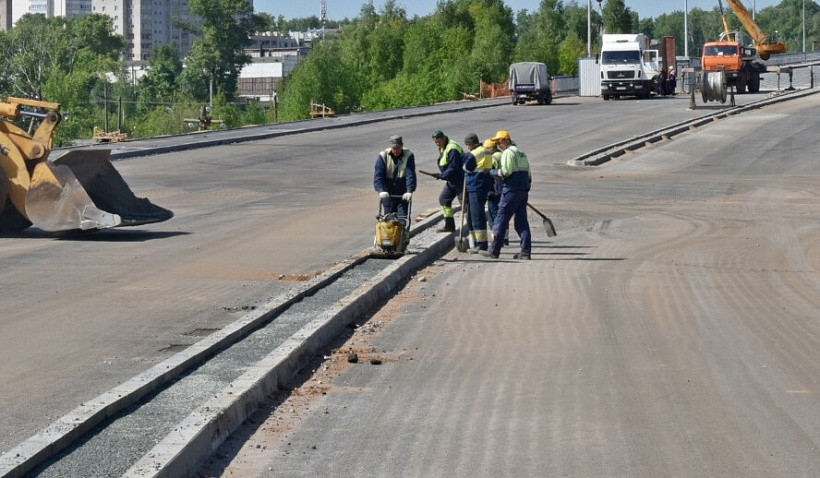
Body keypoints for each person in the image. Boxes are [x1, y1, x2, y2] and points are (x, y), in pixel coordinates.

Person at [480, 130, 532, 260]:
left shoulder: (508, 153)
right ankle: (525, 252)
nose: (498, 144)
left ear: (506, 140)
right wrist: (523, 191)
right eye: (496, 142)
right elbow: (529, 175)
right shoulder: (522, 153)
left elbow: (506, 172)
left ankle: (494, 251)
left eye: (499, 141)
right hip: (523, 191)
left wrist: (492, 172)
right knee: (522, 223)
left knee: (501, 220)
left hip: (510, 191)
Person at [461, 134, 495, 253]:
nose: (467, 148)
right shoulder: (486, 151)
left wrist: (464, 158)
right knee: (472, 214)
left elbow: (465, 168)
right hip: (483, 186)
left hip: (475, 186)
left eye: (468, 145)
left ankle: (481, 244)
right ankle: (475, 243)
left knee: (476, 216)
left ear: (471, 144)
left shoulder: (474, 154)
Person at [373, 134, 416, 220]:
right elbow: (378, 176)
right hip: (388, 194)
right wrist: (381, 190)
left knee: (403, 218)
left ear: (402, 146)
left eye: (398, 148)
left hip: (402, 194)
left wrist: (409, 191)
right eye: (394, 148)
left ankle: (404, 233)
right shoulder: (383, 156)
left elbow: (410, 174)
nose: (396, 151)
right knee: (388, 220)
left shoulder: (408, 155)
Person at [431, 130, 464, 233]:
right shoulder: (443, 147)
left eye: (439, 141)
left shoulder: (452, 148)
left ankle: (470, 227)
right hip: (451, 181)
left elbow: (454, 166)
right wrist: (442, 175)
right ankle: (449, 225)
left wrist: (442, 175)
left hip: (460, 180)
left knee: (465, 204)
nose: (437, 144)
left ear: (444, 138)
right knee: (444, 199)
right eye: (435, 142)